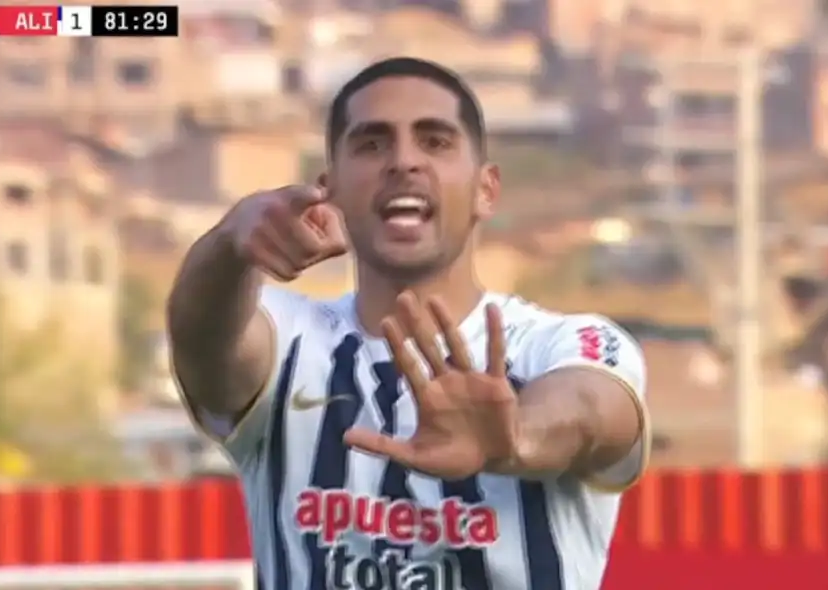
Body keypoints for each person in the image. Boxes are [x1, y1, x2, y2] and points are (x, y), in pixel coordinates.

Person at [168, 57, 650, 590]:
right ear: (332, 191)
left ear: (486, 189)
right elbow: (202, 336)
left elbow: (592, 411)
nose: (403, 162)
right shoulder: (288, 344)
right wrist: (228, 246)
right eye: (371, 144)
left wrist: (516, 437)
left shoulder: (563, 345)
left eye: (435, 141)